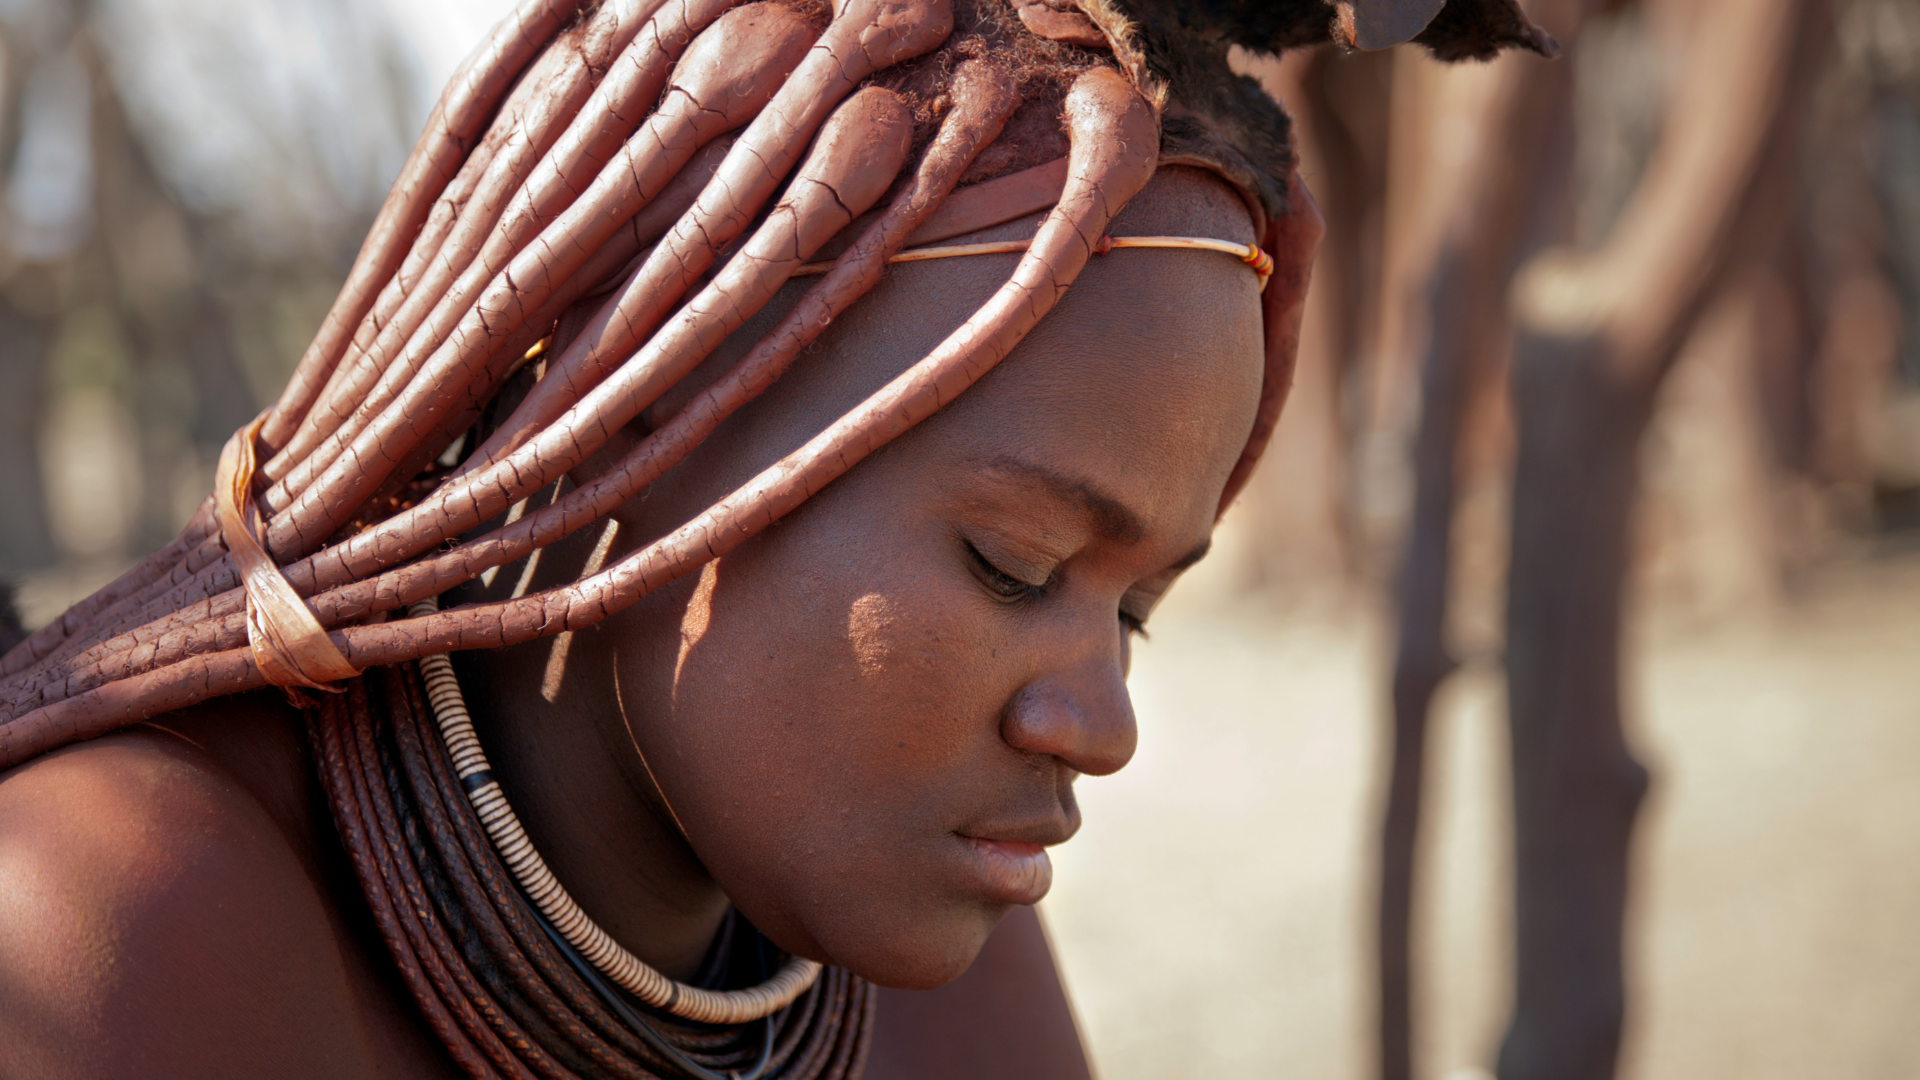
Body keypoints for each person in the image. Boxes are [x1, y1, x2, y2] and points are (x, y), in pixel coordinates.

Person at [0, 1, 1546, 1077]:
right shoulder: (117, 931)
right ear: (630, 416)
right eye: (1012, 565)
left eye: (1133, 610)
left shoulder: (889, 944)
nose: (1101, 726)